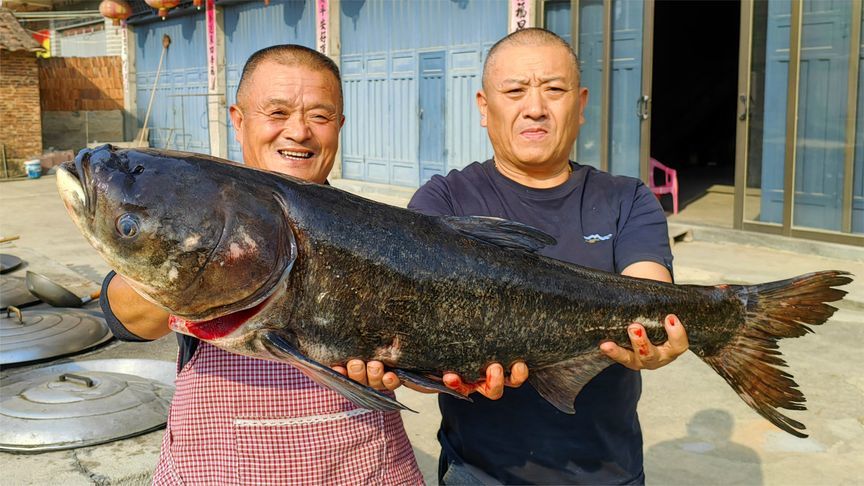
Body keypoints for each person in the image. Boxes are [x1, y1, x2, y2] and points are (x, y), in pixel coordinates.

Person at [99, 44, 424, 484]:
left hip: (365, 467)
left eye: (320, 116)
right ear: (238, 120)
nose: (299, 132)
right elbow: (127, 319)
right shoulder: (203, 214)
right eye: (277, 113)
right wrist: (203, 267)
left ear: (340, 126)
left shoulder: (381, 235)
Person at [407, 28, 690, 484]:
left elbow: (649, 291)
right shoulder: (444, 200)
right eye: (515, 90)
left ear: (580, 104)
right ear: (484, 106)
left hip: (608, 471)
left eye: (554, 90)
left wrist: (655, 334)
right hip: (479, 472)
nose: (535, 107)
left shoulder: (627, 197)